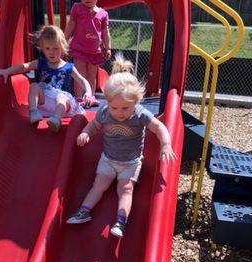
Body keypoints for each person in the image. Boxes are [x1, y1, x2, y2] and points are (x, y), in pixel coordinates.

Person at [66, 53, 176, 238]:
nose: (119, 113)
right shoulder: (104, 111)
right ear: (107, 102)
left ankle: (120, 222)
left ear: (135, 102)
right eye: (114, 108)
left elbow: (158, 127)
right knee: (98, 185)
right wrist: (85, 132)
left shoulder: (140, 114)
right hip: (108, 159)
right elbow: (94, 125)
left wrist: (166, 144)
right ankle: (83, 212)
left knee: (125, 189)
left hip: (131, 162)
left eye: (125, 108)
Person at [0, 25, 93, 132]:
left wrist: (88, 92)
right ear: (42, 48)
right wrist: (7, 71)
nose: (52, 52)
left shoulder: (68, 67)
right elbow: (25, 66)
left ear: (63, 48)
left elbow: (82, 80)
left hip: (62, 105)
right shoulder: (41, 63)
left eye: (56, 48)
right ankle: (34, 112)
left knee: (61, 97)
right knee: (34, 86)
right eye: (47, 48)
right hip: (44, 101)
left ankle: (56, 120)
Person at [65, 0, 111, 105]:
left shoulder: (103, 13)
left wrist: (108, 47)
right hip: (79, 49)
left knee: (91, 75)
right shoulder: (77, 8)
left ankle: (90, 97)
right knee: (80, 74)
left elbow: (105, 32)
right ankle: (79, 98)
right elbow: (71, 24)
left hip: (95, 51)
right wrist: (64, 40)